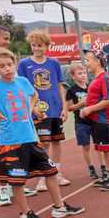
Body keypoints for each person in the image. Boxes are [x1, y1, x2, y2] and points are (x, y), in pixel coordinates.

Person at [0, 48, 84, 218]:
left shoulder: (23, 81)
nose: (7, 69)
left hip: (31, 137)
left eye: (10, 64)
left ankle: (59, 207)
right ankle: (26, 215)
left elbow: (35, 95)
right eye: (2, 66)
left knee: (51, 172)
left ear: (15, 64)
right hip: (10, 141)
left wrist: (31, 109)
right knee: (18, 181)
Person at [0, 24, 38, 207]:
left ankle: (16, 182)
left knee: (18, 149)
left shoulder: (6, 60)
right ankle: (3, 187)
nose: (8, 42)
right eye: (5, 38)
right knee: (4, 151)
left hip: (16, 113)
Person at [17, 29, 70, 192]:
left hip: (55, 109)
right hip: (38, 111)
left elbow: (60, 86)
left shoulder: (54, 63)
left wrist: (65, 107)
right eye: (34, 45)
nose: (37, 48)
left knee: (56, 141)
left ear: (46, 46)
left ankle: (57, 173)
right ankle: (43, 177)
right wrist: (31, 108)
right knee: (43, 143)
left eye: (40, 45)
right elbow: (22, 89)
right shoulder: (24, 64)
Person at [80, 50, 109, 191]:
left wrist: (90, 109)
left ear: (97, 61)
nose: (86, 63)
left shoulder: (105, 78)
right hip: (96, 120)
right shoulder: (96, 79)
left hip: (103, 120)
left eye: (88, 60)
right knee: (103, 148)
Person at [65, 62, 106, 180]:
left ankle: (103, 167)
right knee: (86, 146)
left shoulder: (91, 87)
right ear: (73, 76)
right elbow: (70, 108)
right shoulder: (71, 91)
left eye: (84, 73)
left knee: (99, 145)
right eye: (79, 73)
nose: (83, 75)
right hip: (81, 122)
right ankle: (91, 168)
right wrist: (82, 103)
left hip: (94, 120)